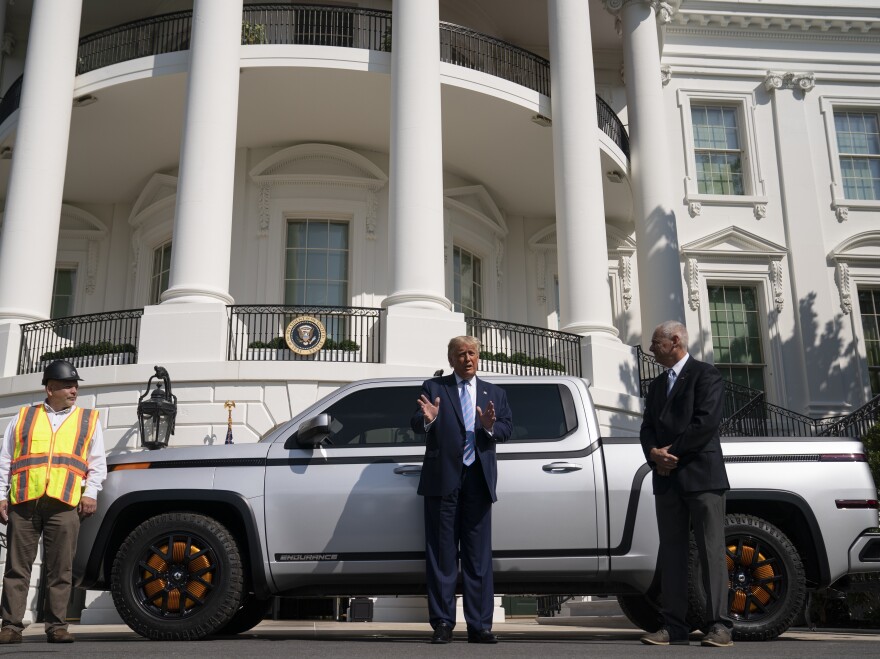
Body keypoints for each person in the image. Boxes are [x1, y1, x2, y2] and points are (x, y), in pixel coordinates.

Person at [411, 336, 512, 644]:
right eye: (460, 354)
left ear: (478, 357)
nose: (467, 358)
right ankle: (442, 623)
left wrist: (489, 427)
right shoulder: (435, 388)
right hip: (443, 481)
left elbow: (507, 430)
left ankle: (479, 626)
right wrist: (428, 421)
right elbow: (416, 422)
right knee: (441, 555)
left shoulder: (495, 393)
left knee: (478, 558)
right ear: (451, 359)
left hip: (478, 481)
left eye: (472, 353)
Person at [639, 321, 734, 648]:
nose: (651, 349)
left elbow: (705, 423)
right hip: (666, 479)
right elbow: (647, 427)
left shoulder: (706, 374)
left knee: (711, 552)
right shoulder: (655, 387)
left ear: (675, 341)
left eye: (656, 343)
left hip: (701, 475)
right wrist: (654, 454)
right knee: (672, 554)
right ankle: (674, 627)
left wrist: (670, 453)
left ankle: (719, 626)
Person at [0, 360, 107, 645]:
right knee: (17, 567)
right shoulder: (23, 417)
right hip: (23, 501)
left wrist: (91, 493)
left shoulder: (88, 420)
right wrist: (1, 495)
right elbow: (5, 459)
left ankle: (57, 626)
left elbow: (97, 463)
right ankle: (10, 626)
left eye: (75, 385)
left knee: (61, 567)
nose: (74, 390)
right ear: (50, 389)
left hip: (65, 502)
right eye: (68, 385)